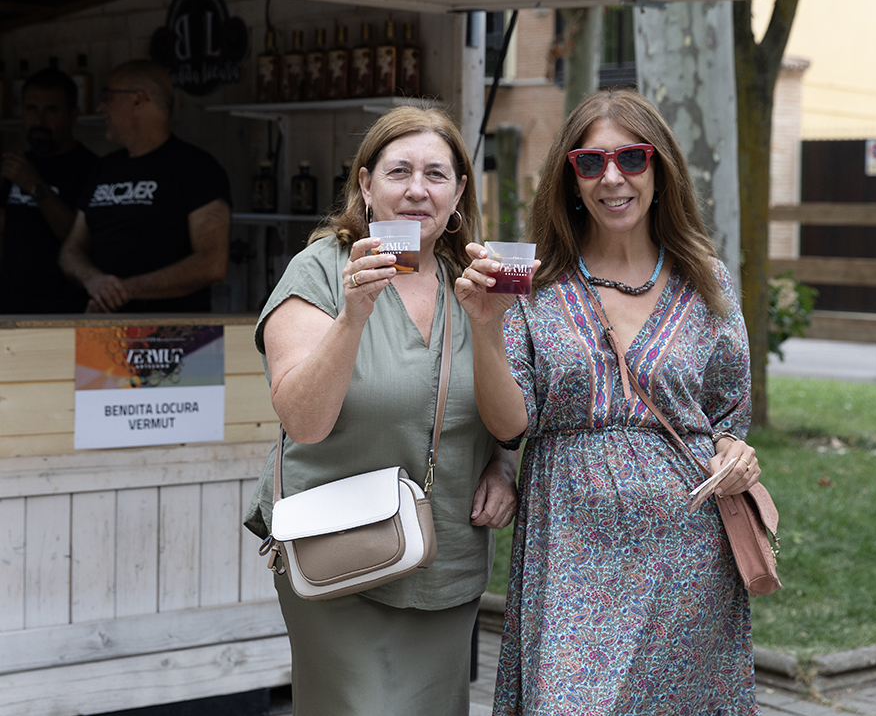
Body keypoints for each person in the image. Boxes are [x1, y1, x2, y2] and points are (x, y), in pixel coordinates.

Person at [456, 88, 763, 714]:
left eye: (632, 158)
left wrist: (737, 453)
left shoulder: (707, 279)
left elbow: (729, 414)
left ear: (660, 169)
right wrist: (485, 326)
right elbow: (511, 424)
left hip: (689, 555)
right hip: (570, 547)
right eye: (590, 163)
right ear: (570, 178)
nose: (612, 177)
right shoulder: (535, 285)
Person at [242, 105, 519, 716]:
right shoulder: (318, 272)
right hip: (338, 551)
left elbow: (508, 419)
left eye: (436, 174)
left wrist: (503, 465)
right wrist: (353, 317)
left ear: (459, 192)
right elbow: (305, 421)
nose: (417, 189)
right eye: (399, 172)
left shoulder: (476, 283)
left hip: (443, 555)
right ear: (366, 185)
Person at [59, 60, 231, 313]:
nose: (100, 107)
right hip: (101, 334)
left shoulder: (197, 168)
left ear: (138, 99)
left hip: (175, 341)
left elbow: (211, 264)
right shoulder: (104, 168)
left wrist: (125, 290)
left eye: (107, 97)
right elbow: (71, 249)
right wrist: (93, 280)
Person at [0, 68, 95, 313]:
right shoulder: (16, 165)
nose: (39, 121)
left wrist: (35, 187)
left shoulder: (92, 169)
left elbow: (82, 243)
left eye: (51, 110)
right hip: (12, 312)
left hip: (64, 312)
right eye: (31, 109)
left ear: (73, 114)